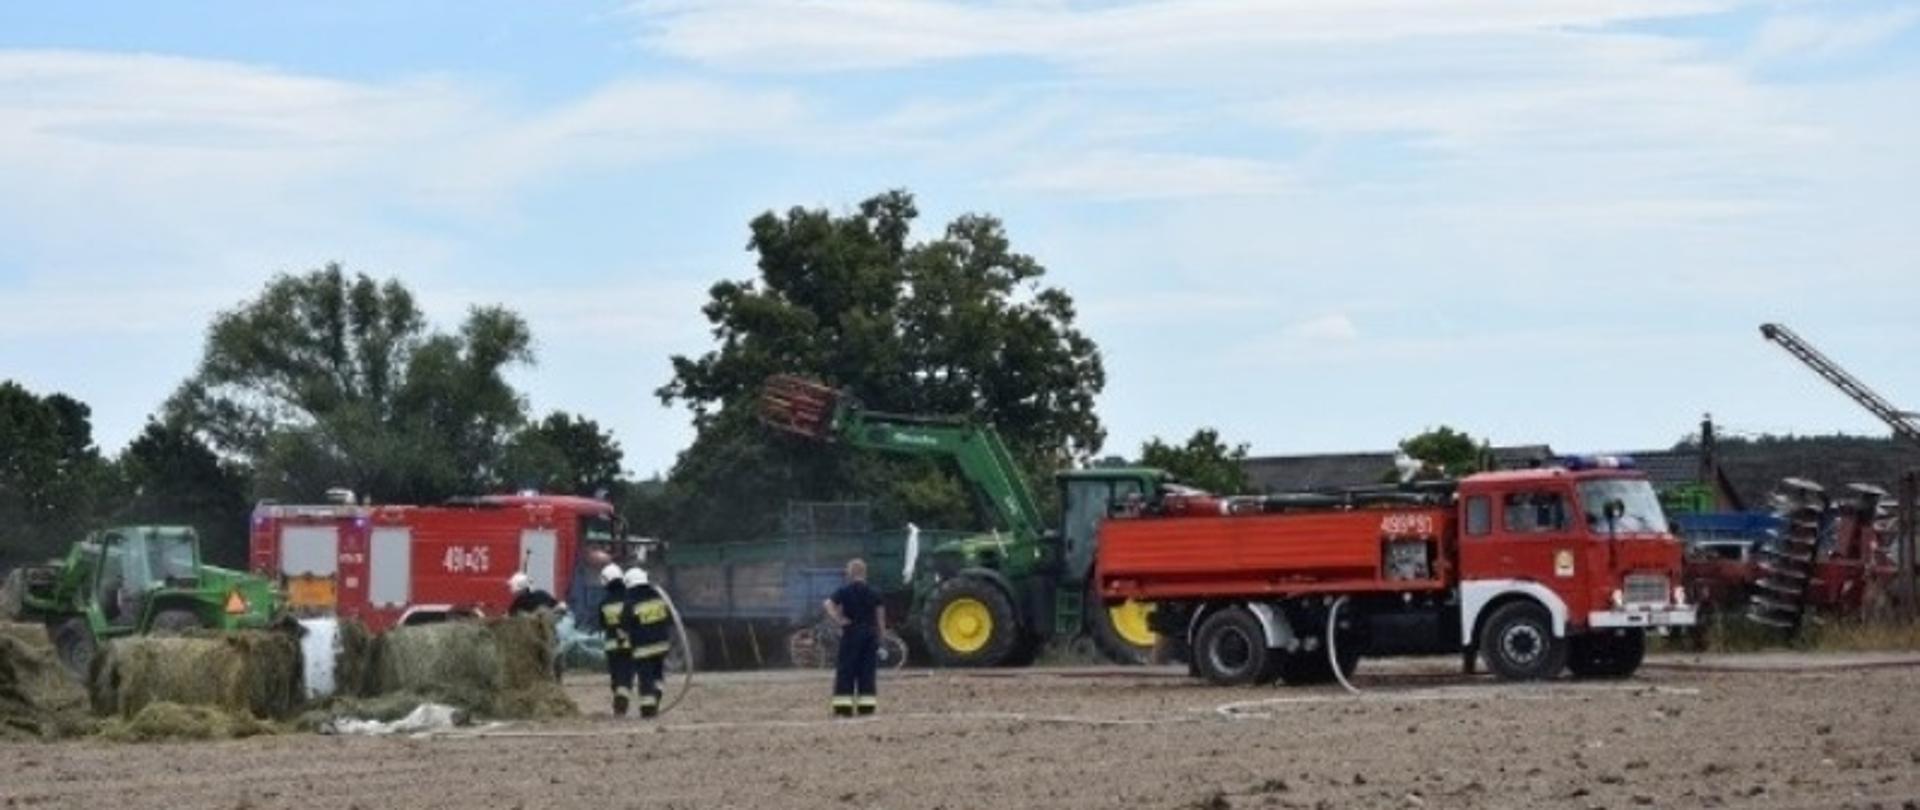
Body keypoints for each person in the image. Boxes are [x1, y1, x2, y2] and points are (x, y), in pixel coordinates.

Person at [823, 558, 884, 717]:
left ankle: (844, 708)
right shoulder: (874, 592)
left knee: (846, 671)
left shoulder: (844, 590)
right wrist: (881, 636)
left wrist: (839, 619)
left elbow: (828, 603)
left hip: (851, 633)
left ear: (850, 573)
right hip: (870, 635)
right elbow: (880, 617)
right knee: (867, 672)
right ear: (864, 573)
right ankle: (866, 708)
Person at [621, 567, 673, 719]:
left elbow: (624, 626)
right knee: (657, 675)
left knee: (645, 679)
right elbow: (669, 619)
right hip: (661, 646)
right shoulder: (658, 598)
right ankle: (656, 694)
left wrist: (623, 642)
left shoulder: (630, 602)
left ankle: (648, 710)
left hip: (643, 649)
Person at [596, 563, 634, 717]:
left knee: (616, 674)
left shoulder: (604, 603)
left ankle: (618, 704)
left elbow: (603, 624)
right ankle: (622, 699)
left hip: (612, 646)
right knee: (627, 673)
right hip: (629, 644)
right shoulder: (631, 599)